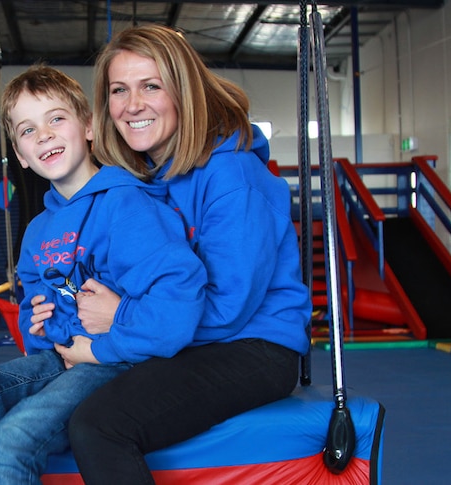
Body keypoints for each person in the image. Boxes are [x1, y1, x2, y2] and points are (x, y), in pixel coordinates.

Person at [45, 24, 312, 484]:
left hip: (253, 345)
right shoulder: (138, 179)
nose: (133, 105)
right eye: (119, 90)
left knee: (100, 425)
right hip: (170, 338)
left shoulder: (233, 176)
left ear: (184, 92)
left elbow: (229, 308)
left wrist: (123, 320)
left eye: (152, 86)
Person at [0, 64, 207, 484]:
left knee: (12, 438)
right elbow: (33, 311)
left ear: (90, 127)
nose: (43, 135)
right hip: (60, 357)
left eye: (56, 118)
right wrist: (35, 322)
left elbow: (178, 305)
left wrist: (104, 339)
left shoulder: (127, 204)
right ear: (20, 155)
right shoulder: (38, 229)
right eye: (27, 130)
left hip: (118, 363)